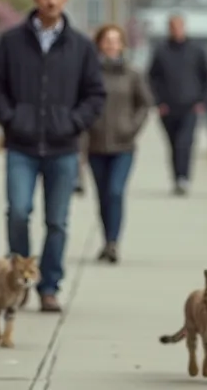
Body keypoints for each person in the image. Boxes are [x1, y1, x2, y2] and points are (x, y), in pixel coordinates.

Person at [0, 0, 105, 313]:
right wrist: (11, 118)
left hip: (62, 148)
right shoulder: (11, 42)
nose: (51, 0)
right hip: (21, 146)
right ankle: (17, 279)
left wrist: (73, 122)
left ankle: (49, 286)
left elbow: (95, 93)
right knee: (19, 212)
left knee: (57, 222)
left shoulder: (80, 46)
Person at [85, 24, 154, 264]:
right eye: (107, 41)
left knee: (115, 191)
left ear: (122, 45)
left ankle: (114, 243)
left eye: (116, 41)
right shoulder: (89, 73)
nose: (112, 45)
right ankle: (106, 240)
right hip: (95, 145)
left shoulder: (132, 74)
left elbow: (145, 104)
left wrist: (132, 127)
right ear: (99, 44)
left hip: (123, 146)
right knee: (103, 195)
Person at [147, 15, 207, 195]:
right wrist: (158, 102)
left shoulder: (196, 51)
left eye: (179, 26)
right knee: (174, 144)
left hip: (190, 106)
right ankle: (177, 177)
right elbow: (151, 78)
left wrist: (203, 101)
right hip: (168, 107)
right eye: (172, 27)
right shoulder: (161, 51)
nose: (176, 30)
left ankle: (184, 178)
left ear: (184, 27)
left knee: (185, 143)